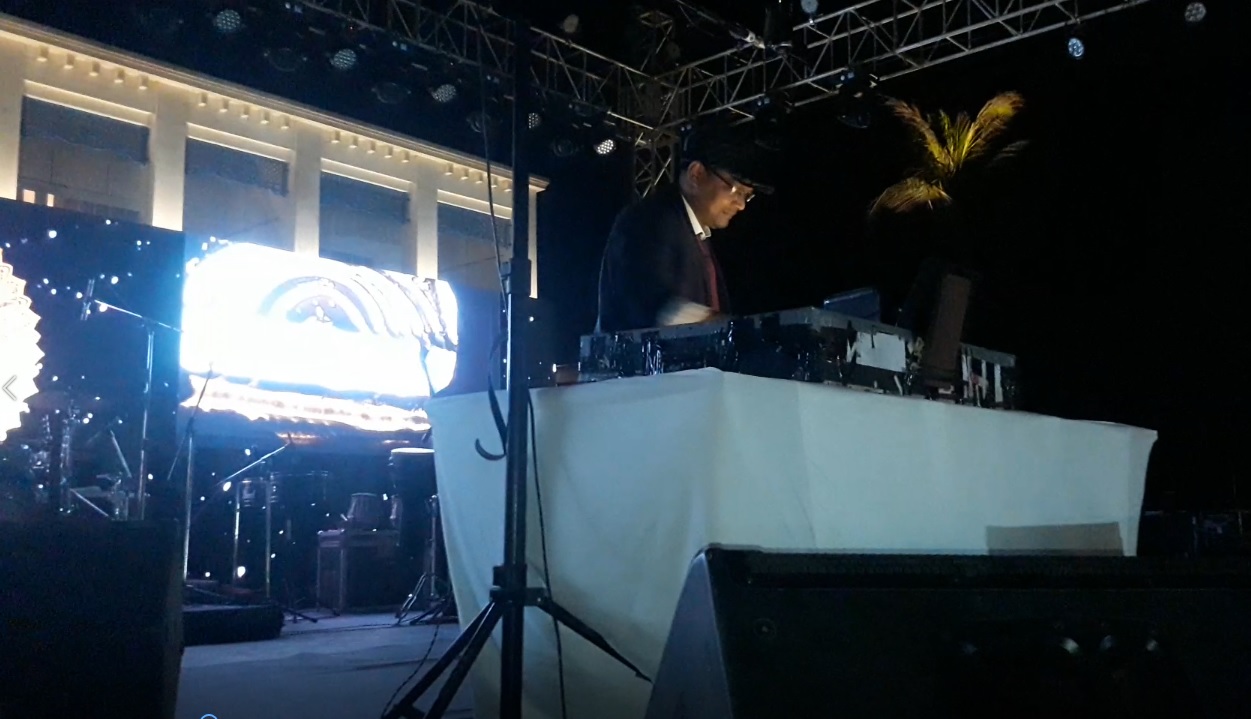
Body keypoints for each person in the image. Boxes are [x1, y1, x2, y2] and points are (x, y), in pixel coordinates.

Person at [595, 129, 772, 333]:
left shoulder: (696, 235)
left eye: (747, 196)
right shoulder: (650, 219)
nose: (741, 205)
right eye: (736, 191)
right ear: (696, 174)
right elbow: (648, 302)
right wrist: (724, 326)